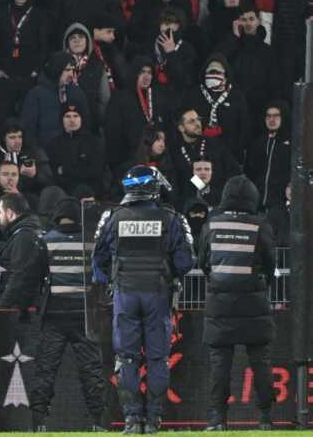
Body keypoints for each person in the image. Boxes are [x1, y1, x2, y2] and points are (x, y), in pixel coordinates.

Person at [92, 165, 196, 435]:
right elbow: (186, 261)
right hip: (158, 294)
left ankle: (131, 419)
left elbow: (98, 261)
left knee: (126, 359)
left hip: (125, 294)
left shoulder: (112, 217)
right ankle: (153, 421)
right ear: (153, 187)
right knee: (158, 359)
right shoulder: (171, 218)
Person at [15, 195, 108, 431]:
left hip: (54, 316)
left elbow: (29, 280)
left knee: (45, 371)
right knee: (92, 372)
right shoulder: (92, 242)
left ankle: (39, 423)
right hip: (86, 316)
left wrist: (24, 309)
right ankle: (98, 422)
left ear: (57, 217)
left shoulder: (46, 240)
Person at [198, 175, 276, 431]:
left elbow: (203, 262)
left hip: (219, 304)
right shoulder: (260, 225)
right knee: (260, 362)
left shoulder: (211, 224)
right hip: (254, 303)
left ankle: (217, 420)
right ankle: (265, 419)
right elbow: (270, 263)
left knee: (220, 363)